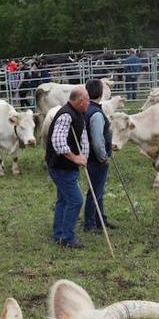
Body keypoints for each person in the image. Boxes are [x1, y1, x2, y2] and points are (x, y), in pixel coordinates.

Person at [44, 86, 90, 248]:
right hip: (61, 166)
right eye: (87, 101)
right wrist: (75, 157)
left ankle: (59, 234)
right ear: (80, 101)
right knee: (75, 200)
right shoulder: (66, 115)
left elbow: (82, 136)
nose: (89, 104)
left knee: (63, 199)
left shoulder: (77, 114)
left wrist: (84, 156)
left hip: (66, 167)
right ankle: (67, 238)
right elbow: (58, 142)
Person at [82, 79, 114, 233]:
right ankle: (90, 224)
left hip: (89, 157)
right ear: (101, 93)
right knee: (95, 192)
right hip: (96, 159)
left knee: (97, 190)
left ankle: (100, 219)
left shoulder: (86, 110)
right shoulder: (96, 114)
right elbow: (97, 140)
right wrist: (103, 156)